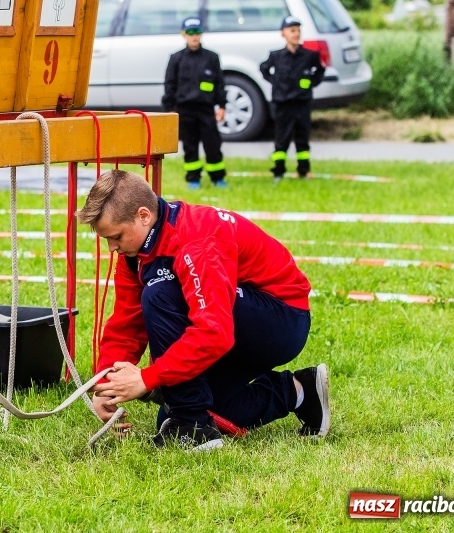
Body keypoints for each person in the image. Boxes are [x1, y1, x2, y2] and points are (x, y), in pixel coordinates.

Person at [78, 170, 330, 451]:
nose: (112, 248)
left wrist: (147, 378)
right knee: (188, 410)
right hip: (237, 319)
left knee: (161, 291)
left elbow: (215, 332)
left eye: (116, 237)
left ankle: (192, 425)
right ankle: (299, 391)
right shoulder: (136, 253)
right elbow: (127, 322)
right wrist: (106, 385)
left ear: (144, 216)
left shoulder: (196, 242)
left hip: (282, 320)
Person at [162, 16, 227, 190]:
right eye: (190, 32)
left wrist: (221, 105)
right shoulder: (176, 58)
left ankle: (218, 178)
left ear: (201, 34)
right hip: (185, 110)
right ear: (184, 35)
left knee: (213, 144)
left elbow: (219, 83)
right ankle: (193, 179)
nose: (194, 36)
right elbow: (170, 84)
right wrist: (170, 109)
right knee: (190, 146)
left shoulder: (211, 58)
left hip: (206, 109)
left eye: (197, 32)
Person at [259, 16, 325, 181]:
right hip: (283, 103)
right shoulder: (276, 56)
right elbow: (264, 68)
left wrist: (310, 83)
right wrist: (276, 82)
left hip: (302, 102)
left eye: (298, 30)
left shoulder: (309, 55)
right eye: (292, 30)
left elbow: (320, 70)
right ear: (283, 34)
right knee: (281, 139)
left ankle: (304, 170)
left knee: (302, 139)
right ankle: (278, 171)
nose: (296, 34)